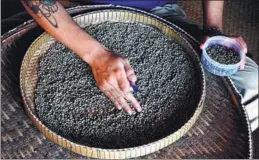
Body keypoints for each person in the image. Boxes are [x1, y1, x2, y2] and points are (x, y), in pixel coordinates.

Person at [20, 0, 258, 116]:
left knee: (252, 84)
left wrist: (214, 30)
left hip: (163, 14)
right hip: (84, 15)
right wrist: (94, 54)